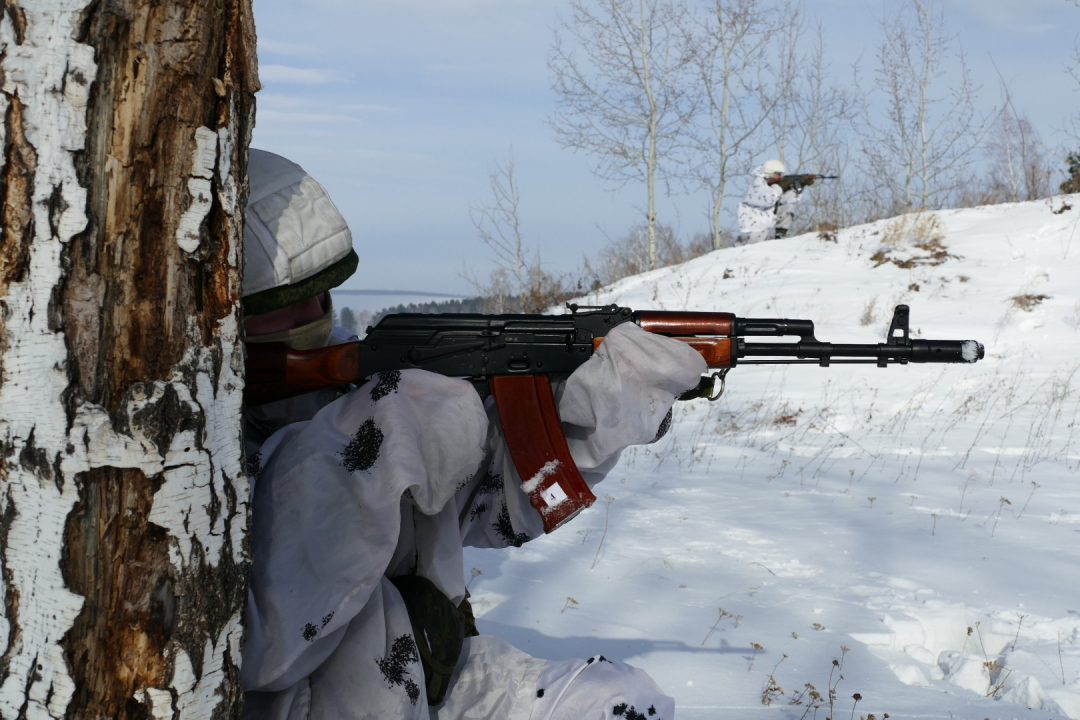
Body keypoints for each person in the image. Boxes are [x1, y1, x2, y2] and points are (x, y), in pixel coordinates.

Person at [240, 150, 709, 719]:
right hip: (312, 703)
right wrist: (365, 455)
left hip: (433, 675)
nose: (312, 312)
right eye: (282, 305)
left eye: (323, 290)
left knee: (619, 704)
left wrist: (584, 421)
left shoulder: (359, 381)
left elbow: (494, 508)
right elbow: (259, 649)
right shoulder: (200, 454)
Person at [737, 159, 811, 244]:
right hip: (755, 216)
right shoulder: (758, 183)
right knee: (754, 244)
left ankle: (781, 234)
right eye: (778, 174)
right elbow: (768, 199)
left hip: (769, 213)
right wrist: (781, 186)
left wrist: (798, 186)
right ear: (770, 173)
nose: (780, 177)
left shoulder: (773, 185)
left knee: (789, 206)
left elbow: (787, 200)